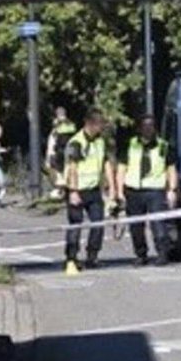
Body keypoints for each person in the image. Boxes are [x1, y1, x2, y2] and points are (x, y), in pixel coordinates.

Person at [117, 114, 179, 266]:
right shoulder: (130, 145)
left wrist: (172, 189)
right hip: (133, 190)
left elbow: (171, 169)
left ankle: (162, 254)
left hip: (155, 190)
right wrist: (119, 191)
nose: (148, 129)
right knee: (136, 226)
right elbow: (121, 169)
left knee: (158, 225)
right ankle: (140, 254)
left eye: (151, 126)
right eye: (145, 126)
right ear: (139, 128)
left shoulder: (164, 146)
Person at [64, 109, 117, 270]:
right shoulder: (76, 142)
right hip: (77, 189)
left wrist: (112, 188)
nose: (101, 128)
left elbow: (106, 164)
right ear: (90, 124)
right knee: (75, 224)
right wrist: (73, 191)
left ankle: (92, 255)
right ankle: (71, 257)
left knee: (98, 223)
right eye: (100, 125)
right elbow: (72, 168)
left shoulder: (100, 141)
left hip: (93, 190)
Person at [46, 107, 77, 199]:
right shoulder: (71, 124)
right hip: (69, 150)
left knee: (55, 170)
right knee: (67, 169)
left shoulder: (57, 124)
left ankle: (60, 190)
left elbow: (54, 138)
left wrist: (50, 151)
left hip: (58, 150)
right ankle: (66, 190)